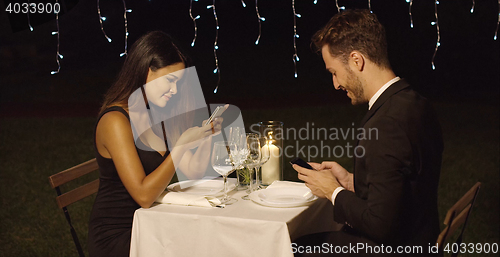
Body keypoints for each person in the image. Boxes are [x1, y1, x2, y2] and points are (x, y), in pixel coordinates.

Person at [292, 10, 443, 256]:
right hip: (421, 236)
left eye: (334, 72)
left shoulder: (386, 125)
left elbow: (380, 225)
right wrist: (353, 181)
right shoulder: (415, 103)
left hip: (395, 247)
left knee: (290, 246)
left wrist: (333, 192)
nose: (336, 84)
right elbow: (405, 184)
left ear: (356, 60)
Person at [87, 31, 222, 257]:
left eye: (178, 83)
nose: (175, 91)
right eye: (170, 81)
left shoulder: (156, 115)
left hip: (153, 223)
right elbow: (144, 196)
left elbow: (194, 171)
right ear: (146, 71)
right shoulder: (115, 121)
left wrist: (205, 136)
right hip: (119, 235)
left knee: (212, 238)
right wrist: (180, 147)